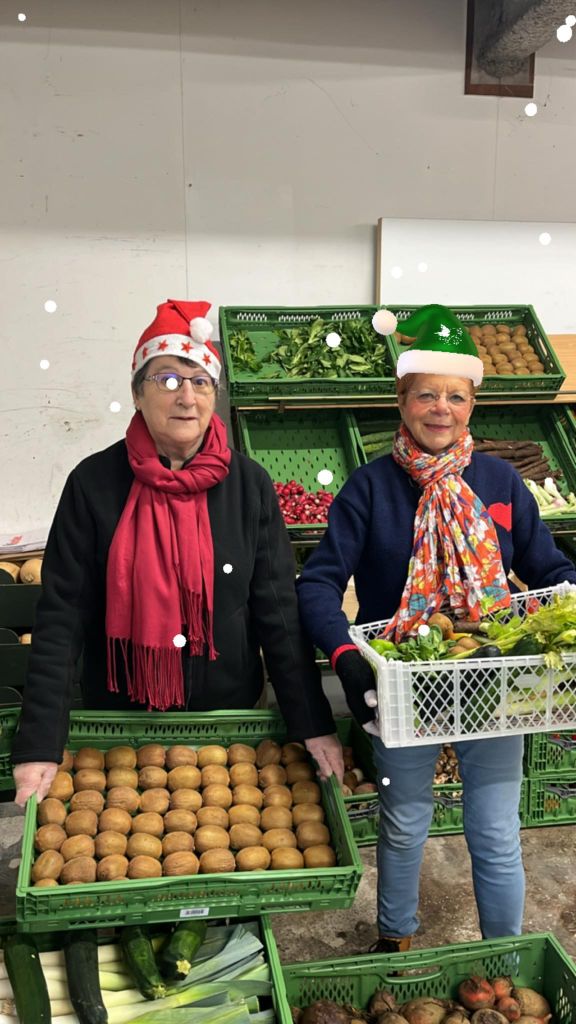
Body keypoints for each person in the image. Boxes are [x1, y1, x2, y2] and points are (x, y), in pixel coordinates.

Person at [297, 303, 576, 951]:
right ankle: (395, 940)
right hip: (403, 687)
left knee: (495, 831)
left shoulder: (500, 481)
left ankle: (504, 954)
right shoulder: (368, 489)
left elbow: (549, 568)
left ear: (473, 404)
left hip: (493, 680)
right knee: (404, 822)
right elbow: (316, 584)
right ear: (402, 400)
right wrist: (347, 658)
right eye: (427, 394)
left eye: (456, 396)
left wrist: (564, 616)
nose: (441, 409)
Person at [12, 298, 343, 805]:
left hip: (230, 726)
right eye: (167, 380)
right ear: (137, 394)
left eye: (201, 381)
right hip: (119, 728)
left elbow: (278, 613)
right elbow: (62, 618)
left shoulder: (248, 485)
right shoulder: (94, 484)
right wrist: (38, 745)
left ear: (214, 394)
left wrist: (312, 724)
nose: (186, 396)